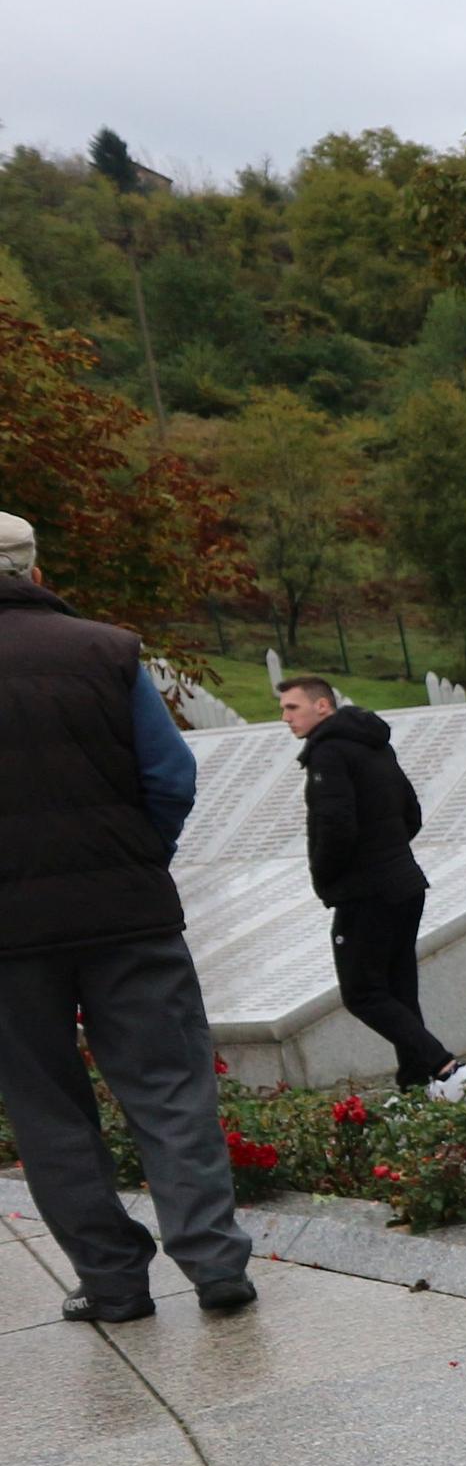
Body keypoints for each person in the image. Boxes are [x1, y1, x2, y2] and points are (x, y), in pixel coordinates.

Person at [0, 511, 257, 1322]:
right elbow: (171, 776)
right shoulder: (107, 650)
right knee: (172, 1086)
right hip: (129, 916)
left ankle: (112, 1283)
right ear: (36, 572)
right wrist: (137, 862)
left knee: (46, 1110)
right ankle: (215, 1265)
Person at [276, 674, 466, 1101]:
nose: (285, 717)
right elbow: (411, 813)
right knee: (399, 989)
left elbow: (335, 825)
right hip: (404, 882)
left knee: (363, 992)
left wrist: (330, 879)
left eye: (293, 707)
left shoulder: (328, 752)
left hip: (366, 891)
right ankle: (417, 1086)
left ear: (322, 707)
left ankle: (446, 1068)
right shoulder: (374, 743)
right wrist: (387, 853)